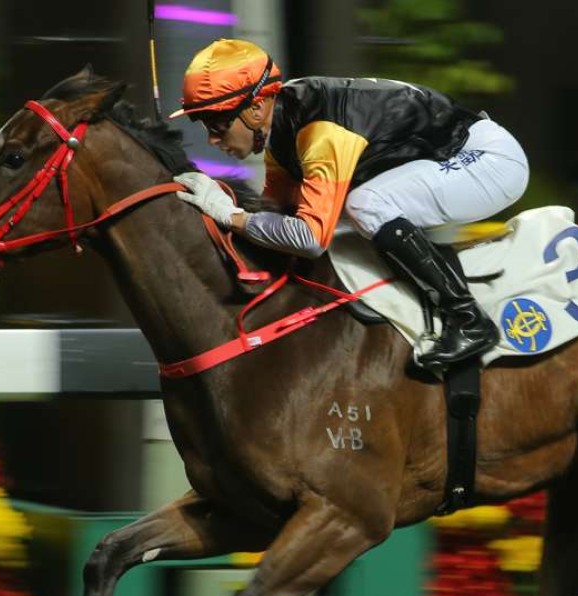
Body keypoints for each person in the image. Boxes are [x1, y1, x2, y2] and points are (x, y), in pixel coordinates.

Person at [170, 38, 529, 368]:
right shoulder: (284, 127)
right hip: (448, 158)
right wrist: (217, 202)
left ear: (256, 108)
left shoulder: (320, 132)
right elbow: (278, 213)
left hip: (487, 161)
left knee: (365, 204)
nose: (213, 139)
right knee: (348, 214)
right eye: (205, 126)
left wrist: (228, 213)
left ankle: (468, 320)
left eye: (217, 123)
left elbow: (308, 239)